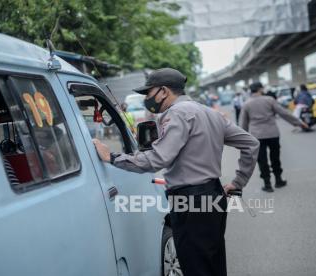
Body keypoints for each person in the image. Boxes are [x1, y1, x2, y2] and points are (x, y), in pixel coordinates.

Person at [92, 68, 260, 276]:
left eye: (149, 92)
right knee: (213, 261)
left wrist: (113, 157)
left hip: (190, 201)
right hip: (213, 194)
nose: (148, 98)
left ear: (163, 91)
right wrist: (238, 182)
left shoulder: (177, 113)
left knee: (196, 266)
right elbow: (251, 143)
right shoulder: (209, 112)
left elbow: (159, 158)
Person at [239, 82, 309, 192]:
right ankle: (278, 180)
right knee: (275, 157)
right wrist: (299, 122)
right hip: (272, 134)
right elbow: (284, 113)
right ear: (260, 89)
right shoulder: (269, 100)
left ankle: (267, 184)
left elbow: (243, 123)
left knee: (262, 160)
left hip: (257, 136)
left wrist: (242, 140)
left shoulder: (246, 104)